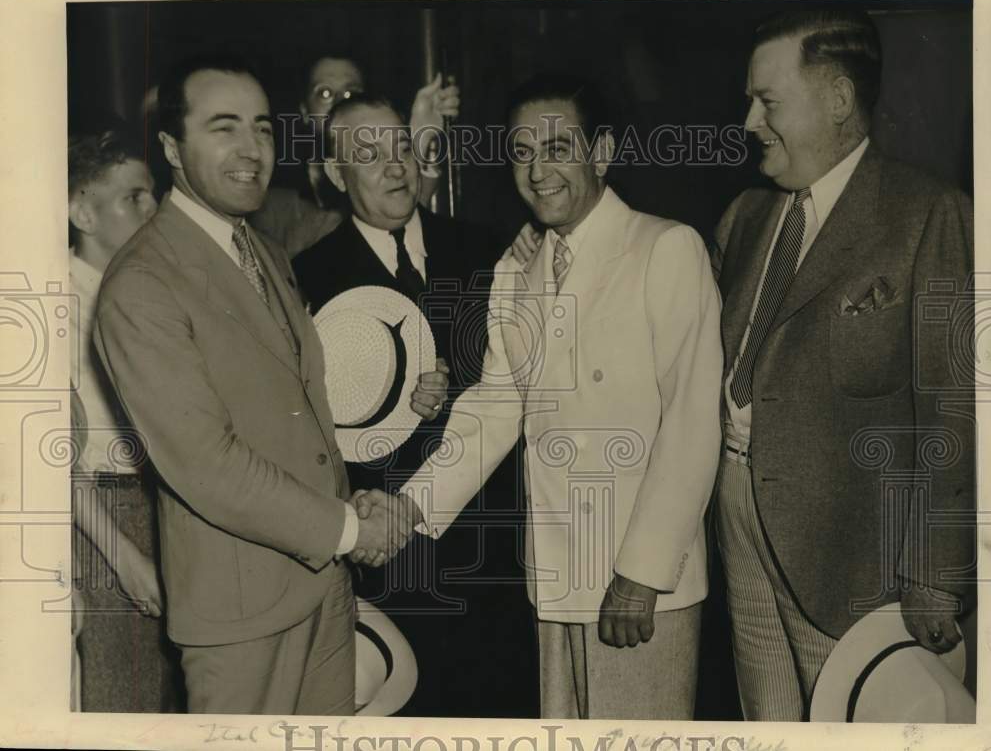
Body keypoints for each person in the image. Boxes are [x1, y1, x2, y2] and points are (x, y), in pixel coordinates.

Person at [93, 54, 429, 714]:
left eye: (262, 128)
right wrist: (347, 529)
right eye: (224, 128)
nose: (251, 148)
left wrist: (353, 501)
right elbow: (205, 463)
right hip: (240, 615)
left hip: (324, 592)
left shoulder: (266, 252)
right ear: (172, 148)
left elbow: (294, 413)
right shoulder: (142, 283)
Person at [393, 74, 724, 720]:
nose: (538, 171)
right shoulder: (516, 271)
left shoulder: (665, 247)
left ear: (602, 153)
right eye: (522, 152)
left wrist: (643, 573)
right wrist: (408, 508)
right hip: (555, 577)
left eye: (557, 148)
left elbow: (691, 423)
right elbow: (496, 408)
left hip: (641, 585)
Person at [710, 10, 975, 720]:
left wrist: (935, 572)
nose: (749, 122)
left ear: (837, 98)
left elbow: (954, 408)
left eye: (767, 102)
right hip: (738, 514)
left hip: (851, 556)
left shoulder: (929, 215)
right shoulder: (744, 217)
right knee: (766, 721)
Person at [292, 94, 536, 717]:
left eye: (401, 146)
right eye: (369, 155)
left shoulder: (489, 251)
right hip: (387, 562)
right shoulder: (305, 278)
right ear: (335, 173)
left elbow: (523, 387)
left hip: (496, 553)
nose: (395, 166)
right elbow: (302, 433)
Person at [68, 127, 182, 711]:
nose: (153, 207)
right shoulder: (53, 302)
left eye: (153, 193)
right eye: (133, 197)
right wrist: (124, 557)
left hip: (164, 507)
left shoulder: (146, 293)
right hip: (102, 518)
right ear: (82, 213)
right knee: (121, 706)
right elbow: (46, 456)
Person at [249, 53, 459, 258]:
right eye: (324, 93)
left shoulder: (387, 173)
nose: (340, 101)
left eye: (351, 93)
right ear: (305, 111)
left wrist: (415, 139)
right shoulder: (273, 189)